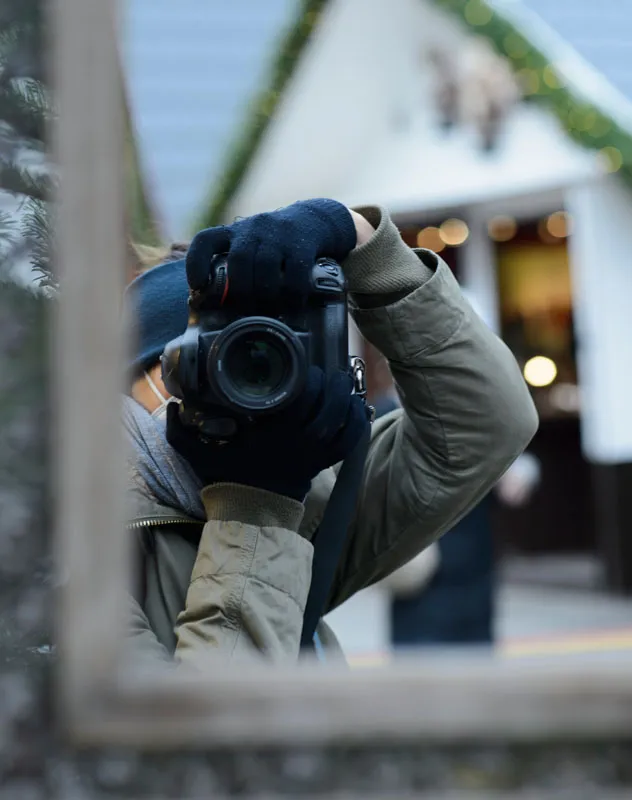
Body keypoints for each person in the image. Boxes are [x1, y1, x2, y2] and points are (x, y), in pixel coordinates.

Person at [123, 198, 538, 664]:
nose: (240, 385)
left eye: (269, 359)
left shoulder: (305, 497)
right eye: (214, 357)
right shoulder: (71, 546)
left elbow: (486, 423)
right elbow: (202, 733)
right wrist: (255, 508)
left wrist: (364, 243)